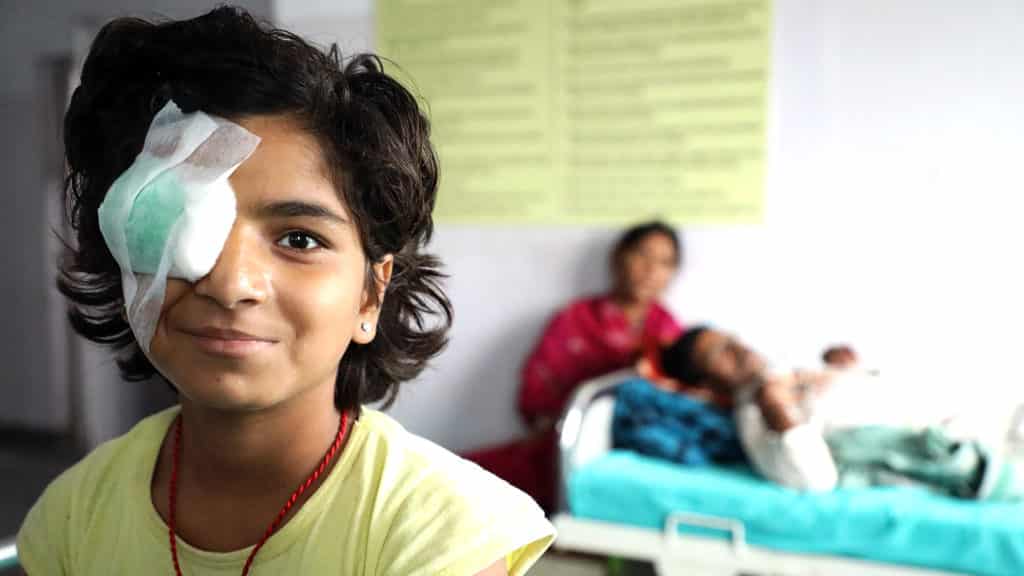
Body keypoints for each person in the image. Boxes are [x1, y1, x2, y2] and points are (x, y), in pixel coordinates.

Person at [16, 7, 553, 575]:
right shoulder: (74, 516)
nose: (228, 284)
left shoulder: (442, 534)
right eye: (175, 224)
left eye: (299, 238)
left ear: (370, 294)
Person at [660, 326, 1022, 500]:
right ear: (705, 386)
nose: (738, 349)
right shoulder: (755, 415)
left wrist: (848, 370)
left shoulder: (784, 370)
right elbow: (817, 480)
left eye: (730, 338)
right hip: (960, 441)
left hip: (968, 404)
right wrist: (779, 414)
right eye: (720, 353)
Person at [467, 221, 684, 511]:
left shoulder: (671, 335)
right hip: (564, 443)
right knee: (462, 479)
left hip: (637, 452)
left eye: (664, 262)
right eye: (642, 254)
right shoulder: (576, 318)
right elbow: (535, 392)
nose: (651, 269)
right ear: (619, 257)